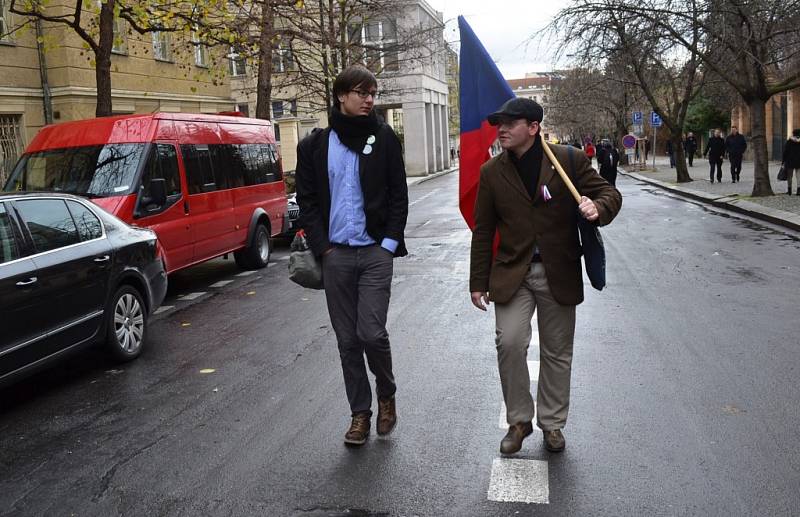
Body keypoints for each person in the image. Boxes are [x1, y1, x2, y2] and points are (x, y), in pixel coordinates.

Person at [469, 98, 622, 454]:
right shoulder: (492, 172)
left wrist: (595, 207)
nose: (501, 129)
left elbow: (609, 193)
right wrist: (478, 281)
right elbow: (483, 229)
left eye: (510, 123)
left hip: (558, 269)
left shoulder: (568, 160)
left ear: (533, 128)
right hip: (512, 273)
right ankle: (519, 421)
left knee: (557, 352)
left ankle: (552, 423)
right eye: (498, 123)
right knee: (509, 343)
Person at [295, 65, 409, 446]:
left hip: (376, 252)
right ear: (341, 96)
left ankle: (387, 392)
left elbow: (398, 195)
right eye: (362, 92)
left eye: (373, 93)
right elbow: (307, 202)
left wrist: (389, 243)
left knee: (372, 333)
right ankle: (360, 413)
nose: (369, 99)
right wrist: (323, 247)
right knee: (347, 341)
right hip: (336, 256)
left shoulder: (385, 138)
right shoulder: (314, 145)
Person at [783, 128, 800, 195]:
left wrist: (783, 161)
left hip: (789, 161)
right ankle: (799, 190)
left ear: (793, 134)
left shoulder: (789, 141)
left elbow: (785, 152)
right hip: (799, 161)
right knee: (798, 176)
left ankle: (789, 190)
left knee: (789, 176)